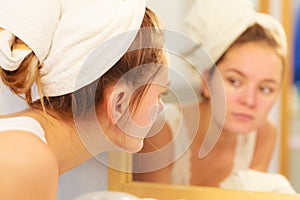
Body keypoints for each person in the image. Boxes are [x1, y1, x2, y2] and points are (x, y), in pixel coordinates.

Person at [0, 0, 170, 199]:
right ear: (119, 102)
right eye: (160, 94)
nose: (160, 107)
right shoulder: (25, 160)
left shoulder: (24, 147)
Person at [133, 0, 296, 193]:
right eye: (235, 81)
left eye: (266, 89)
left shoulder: (264, 135)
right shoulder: (160, 133)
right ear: (206, 80)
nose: (249, 100)